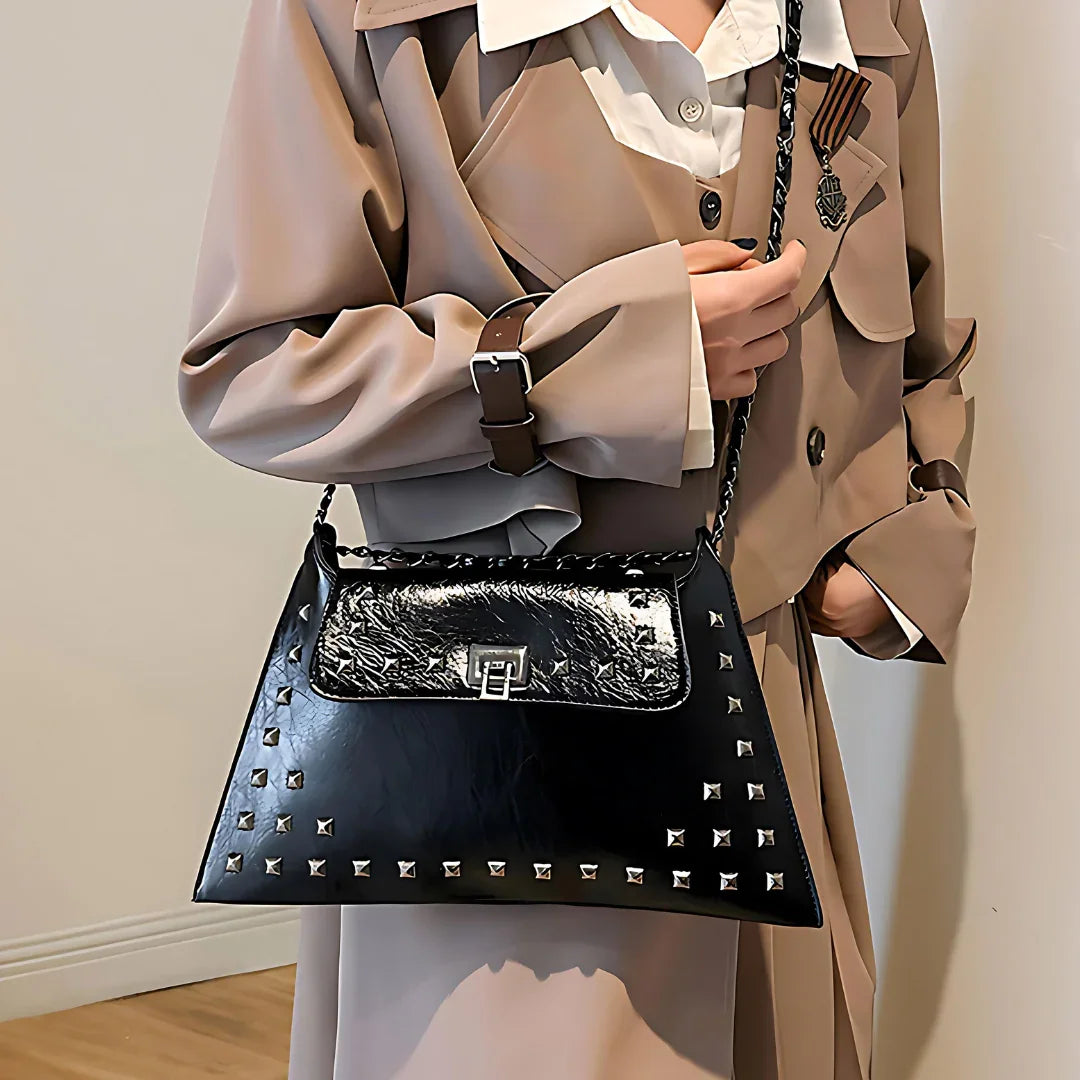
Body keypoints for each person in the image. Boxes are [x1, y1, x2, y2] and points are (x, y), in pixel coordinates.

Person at [179, 0, 976, 1076]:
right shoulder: (361, 18)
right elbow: (253, 370)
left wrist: (903, 551)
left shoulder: (862, 14)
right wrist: (579, 363)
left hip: (760, 752)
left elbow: (917, 330)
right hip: (489, 755)